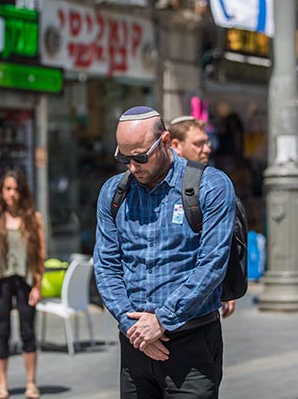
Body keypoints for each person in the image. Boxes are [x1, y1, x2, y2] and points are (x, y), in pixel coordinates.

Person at [94, 106, 236, 398]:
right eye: (124, 157)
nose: (132, 166)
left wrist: (161, 320)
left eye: (141, 157)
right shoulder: (113, 192)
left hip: (191, 341)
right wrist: (130, 324)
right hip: (135, 343)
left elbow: (211, 264)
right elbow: (107, 265)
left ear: (166, 141)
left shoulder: (210, 186)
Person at [0, 170, 46, 399]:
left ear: (22, 191)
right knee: (2, 332)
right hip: (1, 281)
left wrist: (38, 285)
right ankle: (2, 384)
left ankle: (31, 382)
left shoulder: (33, 218)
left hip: (25, 280)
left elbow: (39, 255)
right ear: (1, 192)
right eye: (7, 189)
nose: (11, 194)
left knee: (28, 331)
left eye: (16, 189)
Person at [168, 115, 235, 319]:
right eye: (198, 144)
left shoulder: (212, 184)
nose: (206, 148)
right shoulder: (162, 184)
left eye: (207, 142)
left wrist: (226, 284)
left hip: (200, 305)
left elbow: (218, 243)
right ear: (175, 145)